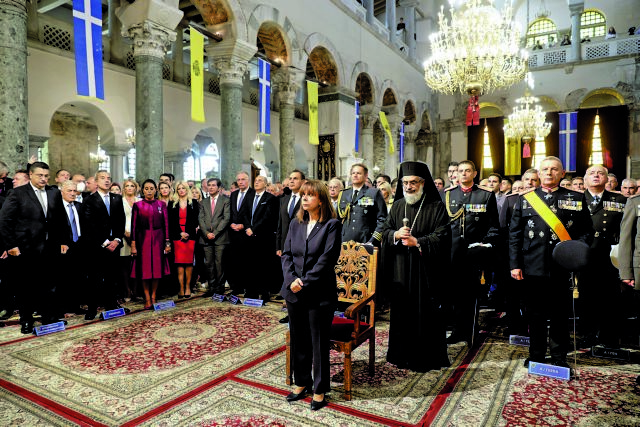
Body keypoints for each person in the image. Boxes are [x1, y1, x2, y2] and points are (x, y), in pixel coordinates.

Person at [509, 157, 593, 368]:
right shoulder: (526, 198)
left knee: (559, 314)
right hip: (532, 265)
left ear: (562, 173)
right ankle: (536, 355)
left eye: (554, 169)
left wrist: (575, 255)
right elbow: (515, 236)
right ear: (538, 172)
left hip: (561, 267)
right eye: (545, 169)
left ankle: (558, 356)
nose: (549, 172)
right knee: (535, 315)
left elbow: (586, 233)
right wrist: (515, 264)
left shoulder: (576, 198)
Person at [381, 161, 451, 372]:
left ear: (423, 183)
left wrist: (418, 242)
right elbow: (385, 230)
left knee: (425, 314)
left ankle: (425, 358)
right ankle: (400, 355)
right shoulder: (398, 205)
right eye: (405, 182)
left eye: (413, 182)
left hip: (425, 272)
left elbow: (443, 236)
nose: (409, 187)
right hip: (401, 270)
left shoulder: (436, 206)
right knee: (402, 311)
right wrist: (395, 235)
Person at [281, 180, 342, 411]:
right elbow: (286, 254)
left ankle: (319, 389)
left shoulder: (332, 225)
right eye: (303, 195)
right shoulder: (296, 223)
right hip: (294, 292)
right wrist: (291, 280)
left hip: (319, 293)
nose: (304, 198)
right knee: (299, 339)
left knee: (318, 342)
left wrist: (303, 282)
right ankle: (302, 382)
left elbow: (327, 260)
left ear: (321, 200)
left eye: (310, 195)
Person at [0, 162, 66, 333]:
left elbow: (60, 220)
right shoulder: (17, 193)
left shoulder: (54, 193)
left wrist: (63, 241)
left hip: (49, 248)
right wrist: (11, 245)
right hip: (25, 249)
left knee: (49, 285)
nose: (44, 179)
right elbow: (5, 221)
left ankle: (49, 317)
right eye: (40, 175)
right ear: (31, 175)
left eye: (46, 176)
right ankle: (27, 320)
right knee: (26, 287)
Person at [444, 160, 500, 344]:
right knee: (454, 293)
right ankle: (457, 330)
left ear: (475, 173)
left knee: (472, 293)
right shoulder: (447, 195)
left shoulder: (485, 195)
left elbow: (493, 225)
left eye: (468, 171)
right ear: (456, 174)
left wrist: (486, 244)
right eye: (461, 171)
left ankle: (471, 330)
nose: (464, 174)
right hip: (452, 253)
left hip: (475, 252)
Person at [578, 165, 627, 348]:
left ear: (607, 179)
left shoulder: (620, 200)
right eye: (592, 173)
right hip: (586, 254)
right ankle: (587, 334)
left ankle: (609, 336)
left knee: (610, 298)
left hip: (610, 256)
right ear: (585, 179)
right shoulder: (577, 199)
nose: (596, 176)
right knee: (586, 297)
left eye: (600, 173)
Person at [82, 170, 127, 320]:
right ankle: (92, 309)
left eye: (108, 178)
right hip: (97, 246)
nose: (106, 181)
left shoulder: (117, 198)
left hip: (115, 245)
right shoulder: (89, 200)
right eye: (102, 178)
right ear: (96, 181)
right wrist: (105, 242)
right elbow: (89, 225)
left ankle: (112, 305)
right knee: (95, 278)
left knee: (112, 277)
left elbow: (121, 221)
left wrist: (117, 240)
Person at [131, 179, 171, 309]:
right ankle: (147, 297)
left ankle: (154, 296)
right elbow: (134, 226)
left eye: (151, 188)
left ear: (156, 190)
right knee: (145, 270)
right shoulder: (138, 205)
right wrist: (133, 244)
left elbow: (166, 224)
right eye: (146, 188)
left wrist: (167, 242)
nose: (149, 191)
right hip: (143, 239)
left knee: (156, 269)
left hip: (158, 239)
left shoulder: (161, 204)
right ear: (142, 190)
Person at [245, 175, 279, 300]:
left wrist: (254, 229)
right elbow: (244, 214)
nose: (257, 182)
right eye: (255, 181)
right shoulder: (249, 197)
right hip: (249, 237)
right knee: (251, 265)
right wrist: (248, 227)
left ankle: (264, 292)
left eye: (260, 181)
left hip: (264, 237)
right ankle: (252, 291)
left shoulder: (270, 198)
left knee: (264, 265)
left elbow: (268, 217)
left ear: (265, 184)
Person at [336, 163, 387, 244]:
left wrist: (373, 240)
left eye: (358, 173)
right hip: (346, 242)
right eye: (353, 173)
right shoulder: (344, 194)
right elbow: (338, 220)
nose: (355, 175)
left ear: (366, 175)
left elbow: (382, 219)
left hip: (366, 240)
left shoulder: (373, 193)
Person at [58, 180, 87, 315]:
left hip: (79, 245)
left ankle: (76, 306)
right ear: (61, 191)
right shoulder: (55, 207)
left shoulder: (79, 206)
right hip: (63, 247)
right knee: (64, 278)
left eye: (74, 191)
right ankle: (63, 307)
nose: (72, 193)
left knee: (78, 277)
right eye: (69, 191)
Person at [199, 178, 230, 296]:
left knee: (219, 264)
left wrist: (215, 233)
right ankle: (211, 288)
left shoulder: (225, 201)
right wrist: (207, 233)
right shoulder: (203, 202)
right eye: (209, 185)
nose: (211, 187)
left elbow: (226, 218)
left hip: (220, 237)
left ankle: (220, 288)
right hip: (205, 237)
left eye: (213, 185)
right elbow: (200, 219)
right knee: (208, 264)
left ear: (218, 187)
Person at [169, 181, 200, 299]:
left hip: (190, 236)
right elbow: (171, 221)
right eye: (179, 188)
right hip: (177, 236)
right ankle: (181, 288)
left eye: (183, 188)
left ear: (187, 189)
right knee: (179, 264)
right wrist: (179, 233)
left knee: (189, 263)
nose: (181, 190)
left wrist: (188, 233)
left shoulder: (194, 203)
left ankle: (188, 287)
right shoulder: (172, 203)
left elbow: (196, 221)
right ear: (176, 191)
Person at [228, 171, 255, 296]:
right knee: (235, 261)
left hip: (247, 233)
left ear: (248, 180)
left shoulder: (253, 194)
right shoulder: (233, 194)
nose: (240, 182)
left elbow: (253, 214)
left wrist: (244, 225)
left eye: (243, 179)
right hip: (233, 233)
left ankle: (248, 288)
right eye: (238, 179)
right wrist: (231, 224)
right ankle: (237, 287)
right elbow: (231, 212)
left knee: (248, 262)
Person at [120, 179, 140, 302]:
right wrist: (124, 232)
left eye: (132, 185)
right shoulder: (119, 201)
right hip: (123, 234)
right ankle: (127, 290)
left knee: (137, 264)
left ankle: (136, 290)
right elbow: (117, 218)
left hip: (139, 236)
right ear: (124, 188)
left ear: (135, 188)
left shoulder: (141, 201)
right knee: (125, 264)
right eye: (127, 186)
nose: (129, 188)